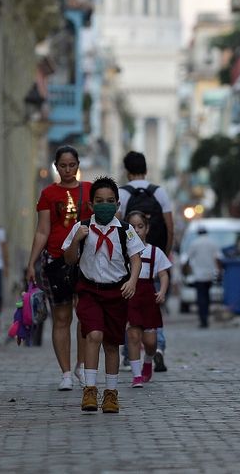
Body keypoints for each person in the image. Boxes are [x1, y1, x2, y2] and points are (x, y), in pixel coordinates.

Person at [63, 176, 144, 413]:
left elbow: (136, 259)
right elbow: (69, 259)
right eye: (99, 201)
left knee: (111, 343)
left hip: (116, 292)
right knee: (94, 335)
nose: (105, 205)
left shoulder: (126, 230)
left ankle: (111, 393)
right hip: (89, 290)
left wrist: (132, 281)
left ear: (118, 204)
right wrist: (75, 242)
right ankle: (90, 389)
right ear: (91, 205)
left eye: (110, 201)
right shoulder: (81, 228)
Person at [25, 146, 93, 391]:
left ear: (77, 165)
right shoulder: (48, 194)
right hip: (56, 260)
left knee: (85, 316)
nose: (67, 170)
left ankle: (82, 365)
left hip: (86, 261)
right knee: (62, 318)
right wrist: (31, 262)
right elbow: (43, 230)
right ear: (56, 166)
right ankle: (65, 373)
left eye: (72, 165)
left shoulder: (90, 190)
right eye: (62, 165)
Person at [117, 151, 174, 372]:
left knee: (127, 308)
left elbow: (118, 228)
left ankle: (127, 355)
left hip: (129, 262)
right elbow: (170, 227)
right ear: (146, 169)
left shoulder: (121, 193)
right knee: (154, 307)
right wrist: (164, 255)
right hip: (154, 257)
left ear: (127, 171)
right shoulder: (159, 192)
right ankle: (158, 348)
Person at [124, 211, 171, 388]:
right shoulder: (124, 251)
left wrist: (162, 291)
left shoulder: (154, 252)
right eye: (132, 227)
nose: (136, 230)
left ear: (147, 228)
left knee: (150, 342)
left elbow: (163, 274)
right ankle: (137, 375)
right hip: (130, 296)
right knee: (133, 335)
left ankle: (148, 360)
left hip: (148, 298)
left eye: (140, 226)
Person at [185, 227, 222, 328]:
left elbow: (188, 258)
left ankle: (203, 319)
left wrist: (187, 272)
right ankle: (206, 317)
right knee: (207, 296)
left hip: (199, 274)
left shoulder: (195, 243)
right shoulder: (212, 243)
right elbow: (217, 258)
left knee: (201, 297)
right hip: (210, 274)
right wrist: (219, 272)